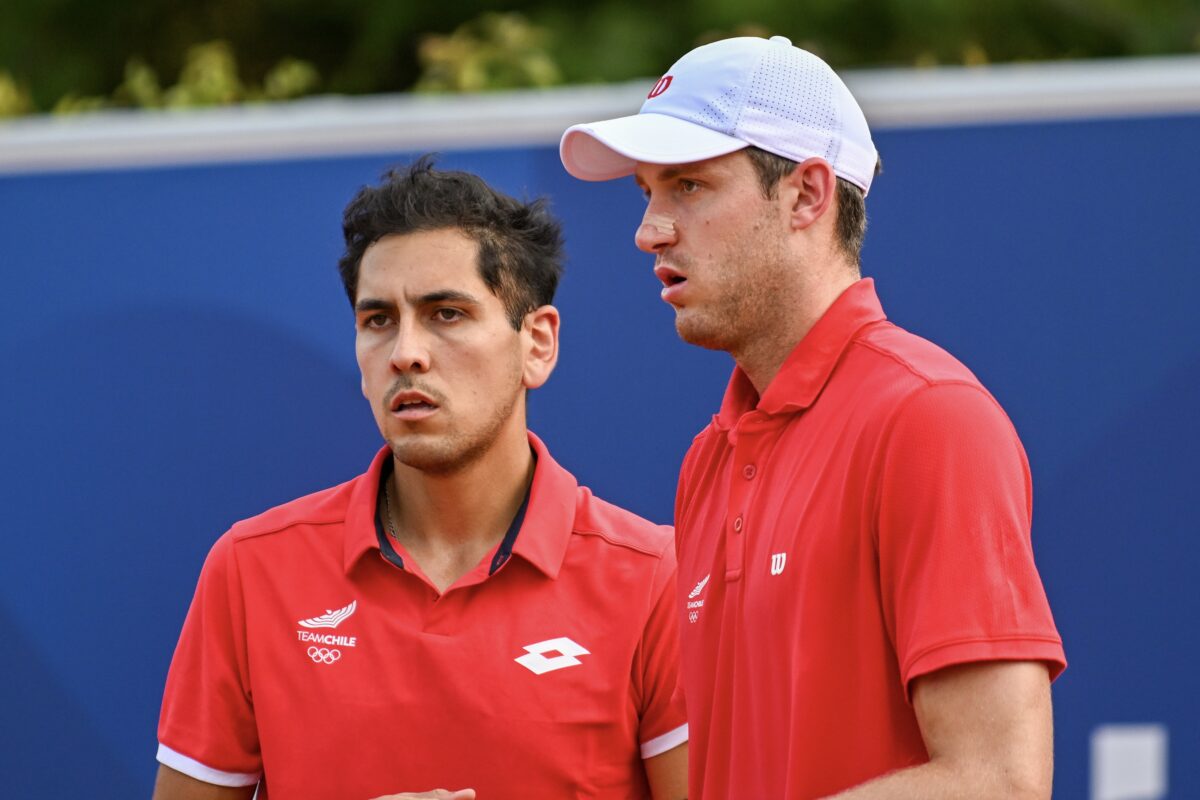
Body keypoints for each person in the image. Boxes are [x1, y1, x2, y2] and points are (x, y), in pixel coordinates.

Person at [560, 35, 1066, 799]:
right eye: (646, 193)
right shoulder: (709, 459)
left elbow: (998, 780)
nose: (650, 230)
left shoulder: (929, 417)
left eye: (689, 187)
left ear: (808, 195)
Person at [153, 158, 688, 800]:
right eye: (378, 320)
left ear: (537, 344)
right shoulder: (249, 569)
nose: (406, 351)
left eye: (446, 314)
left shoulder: (657, 579)